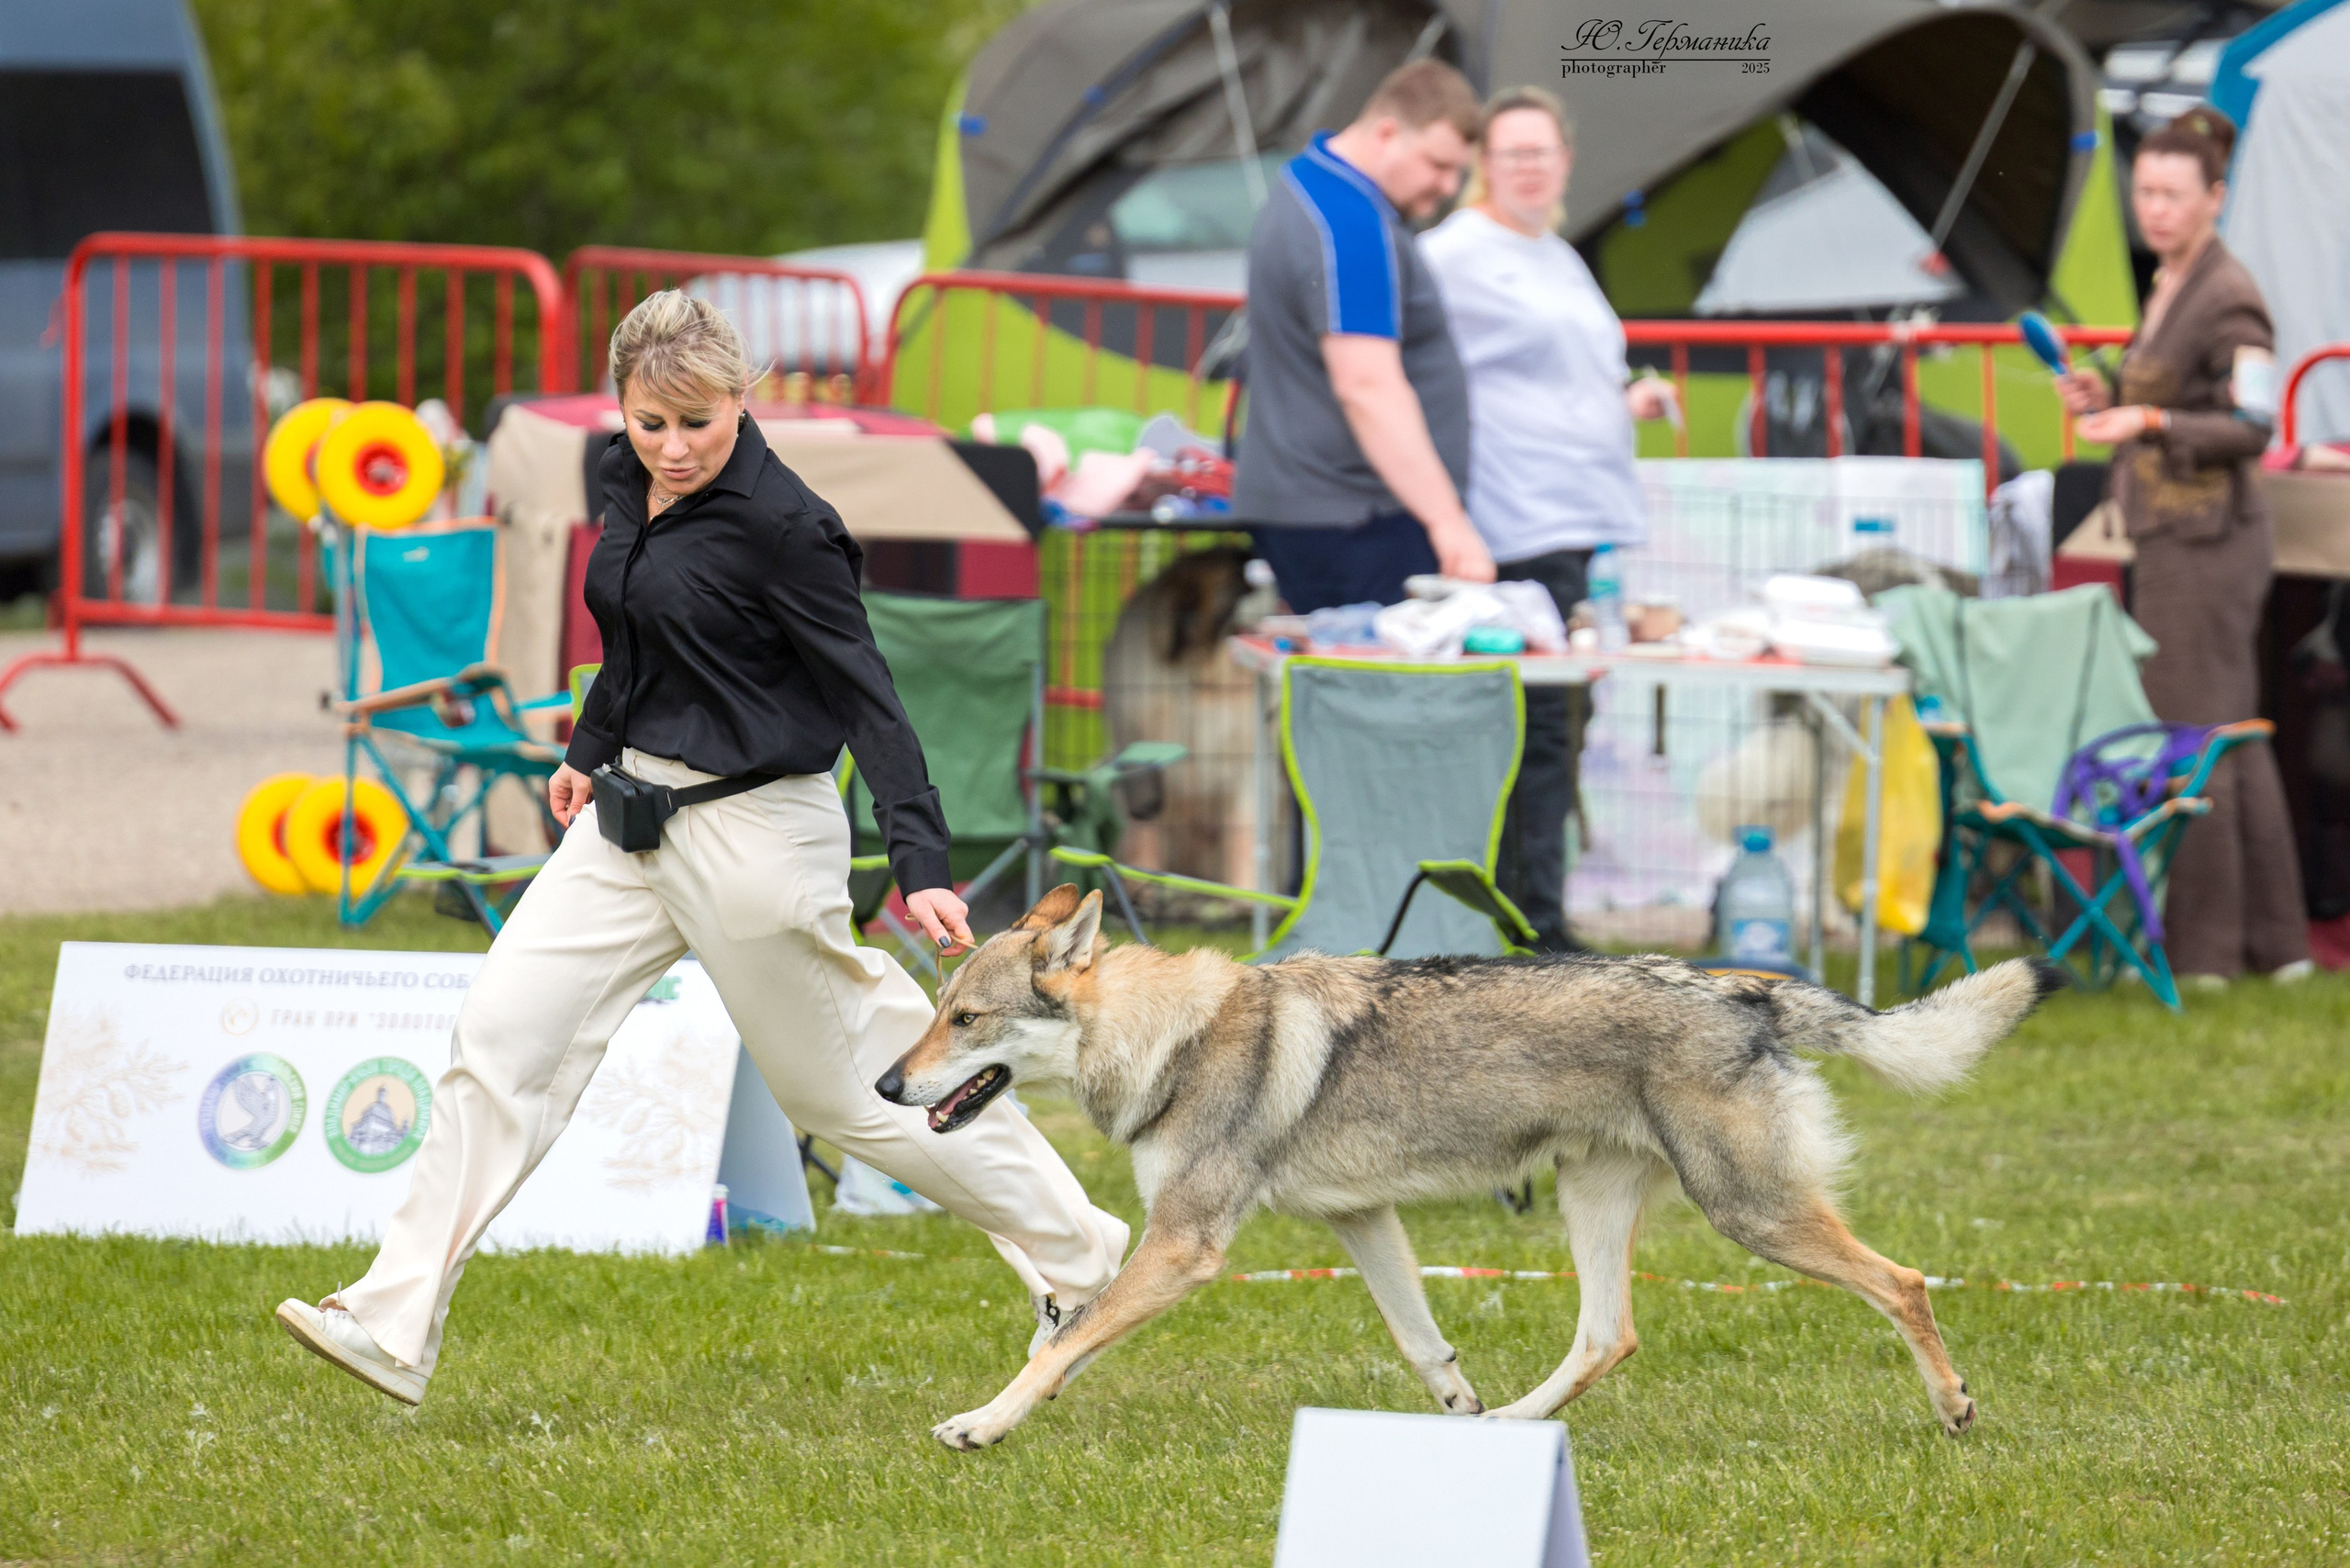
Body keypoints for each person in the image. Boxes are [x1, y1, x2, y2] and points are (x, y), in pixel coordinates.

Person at [277, 293, 1129, 1403]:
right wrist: (590, 743)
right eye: (649, 423)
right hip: (627, 815)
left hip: (757, 835)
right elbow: (632, 637)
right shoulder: (619, 477)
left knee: (850, 1093)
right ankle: (390, 1321)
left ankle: (1078, 1252)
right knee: (502, 1033)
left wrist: (920, 859)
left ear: (743, 398)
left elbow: (868, 699)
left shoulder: (791, 527)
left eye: (698, 422)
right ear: (621, 411)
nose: (672, 448)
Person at [2057, 107, 2311, 986]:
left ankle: (2207, 953)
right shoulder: (2172, 279)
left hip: (2209, 544)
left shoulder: (2229, 291)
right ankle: (2274, 949)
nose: (2154, 209)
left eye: (2172, 194)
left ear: (2215, 198)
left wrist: (2149, 418)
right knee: (2228, 739)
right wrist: (2105, 388)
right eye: (2144, 192)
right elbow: (2164, 382)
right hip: (2175, 536)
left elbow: (2251, 422)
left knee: (2195, 742)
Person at [1419, 86, 1676, 953]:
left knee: (1564, 726)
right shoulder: (1455, 252)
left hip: (1580, 523)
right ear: (1483, 165)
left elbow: (1569, 373)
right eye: (1512, 152)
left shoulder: (1559, 254)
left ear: (1566, 161)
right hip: (1511, 521)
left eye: (1543, 152)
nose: (1530, 166)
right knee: (1537, 726)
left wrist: (1629, 396)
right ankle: (1536, 928)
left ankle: (1531, 915)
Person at [1234, 59, 1494, 613]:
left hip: (1323, 511)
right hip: (1356, 521)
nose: (1448, 188)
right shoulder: (1347, 223)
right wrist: (1447, 520)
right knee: (1387, 694)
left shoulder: (1306, 183)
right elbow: (1367, 386)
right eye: (1438, 165)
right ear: (1386, 133)